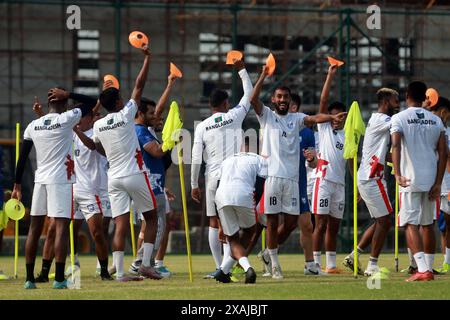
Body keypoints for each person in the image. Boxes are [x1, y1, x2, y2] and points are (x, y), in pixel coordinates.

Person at [250, 64, 346, 279]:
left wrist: (331, 118)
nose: (283, 100)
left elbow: (314, 118)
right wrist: (264, 75)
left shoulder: (297, 119)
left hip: (294, 181)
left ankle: (304, 262)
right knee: (273, 223)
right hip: (273, 178)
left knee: (296, 222)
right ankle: (275, 265)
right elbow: (253, 100)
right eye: (279, 97)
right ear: (274, 100)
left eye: (286, 97)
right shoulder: (266, 116)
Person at [12, 87, 98, 289]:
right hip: (60, 180)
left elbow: (22, 157)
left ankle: (29, 279)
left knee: (34, 229)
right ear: (63, 104)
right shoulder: (67, 118)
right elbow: (92, 101)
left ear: (48, 104)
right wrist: (68, 94)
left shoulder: (33, 125)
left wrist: (17, 185)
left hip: (39, 181)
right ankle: (59, 279)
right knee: (61, 228)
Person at [93, 45, 162, 281]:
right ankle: (145, 264)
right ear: (120, 101)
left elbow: (96, 146)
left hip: (114, 177)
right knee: (151, 217)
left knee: (120, 224)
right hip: (134, 173)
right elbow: (139, 85)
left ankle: (121, 273)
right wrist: (146, 59)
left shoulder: (98, 125)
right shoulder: (125, 114)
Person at [191, 59, 253, 278]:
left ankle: (218, 266)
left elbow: (196, 157)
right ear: (226, 103)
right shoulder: (233, 116)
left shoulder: (202, 126)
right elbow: (249, 94)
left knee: (212, 222)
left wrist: (193, 185)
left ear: (210, 105)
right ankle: (223, 269)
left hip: (211, 179)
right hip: (232, 177)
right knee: (230, 223)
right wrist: (242, 70)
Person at [391, 81, 447, 281]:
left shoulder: (399, 118)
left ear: (407, 96)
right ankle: (429, 267)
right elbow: (444, 153)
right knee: (427, 224)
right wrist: (439, 182)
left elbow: (395, 146)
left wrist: (397, 173)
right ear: (425, 97)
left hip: (410, 179)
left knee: (409, 223)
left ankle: (423, 269)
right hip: (432, 179)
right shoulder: (436, 121)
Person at [342, 88, 400, 276]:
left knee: (380, 220)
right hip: (372, 177)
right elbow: (402, 126)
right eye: (395, 100)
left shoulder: (381, 121)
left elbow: (386, 153)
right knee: (385, 221)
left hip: (370, 176)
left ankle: (354, 255)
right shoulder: (382, 121)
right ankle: (372, 266)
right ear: (385, 101)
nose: (398, 103)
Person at [129, 74, 177, 277]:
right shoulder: (142, 132)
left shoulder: (146, 128)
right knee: (153, 227)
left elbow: (158, 110)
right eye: (152, 114)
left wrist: (169, 85)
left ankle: (144, 262)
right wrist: (170, 142)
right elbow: (157, 152)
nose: (158, 117)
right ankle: (141, 263)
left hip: (154, 184)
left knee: (154, 226)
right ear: (142, 113)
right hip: (148, 185)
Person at [309, 65, 350, 274]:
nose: (336, 119)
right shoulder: (324, 127)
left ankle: (331, 265)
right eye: (332, 116)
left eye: (340, 116)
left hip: (340, 185)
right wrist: (330, 75)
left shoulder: (348, 136)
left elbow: (351, 162)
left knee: (334, 226)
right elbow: (323, 103)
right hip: (322, 181)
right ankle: (315, 265)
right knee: (321, 223)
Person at [213, 152, 267, 284]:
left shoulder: (227, 159)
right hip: (244, 193)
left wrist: (220, 224)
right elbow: (260, 188)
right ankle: (248, 268)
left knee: (232, 238)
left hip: (221, 196)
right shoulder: (261, 160)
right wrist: (253, 205)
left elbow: (217, 186)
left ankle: (224, 271)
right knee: (249, 231)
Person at [432, 97, 450, 273]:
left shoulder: (447, 133)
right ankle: (447, 262)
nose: (434, 114)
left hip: (447, 186)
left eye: (436, 111)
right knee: (444, 227)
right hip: (441, 187)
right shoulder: (435, 132)